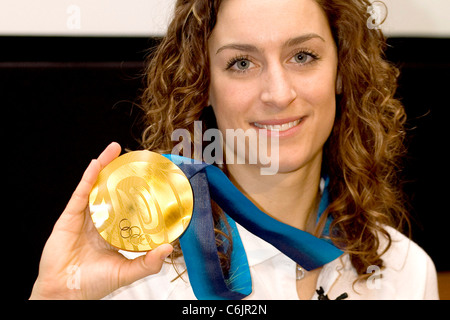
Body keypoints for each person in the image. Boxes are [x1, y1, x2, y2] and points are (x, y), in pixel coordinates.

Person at [29, 0, 439, 300]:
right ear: (203, 82)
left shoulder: (405, 270)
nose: (278, 94)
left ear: (340, 70)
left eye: (302, 56)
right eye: (242, 63)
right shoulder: (136, 271)